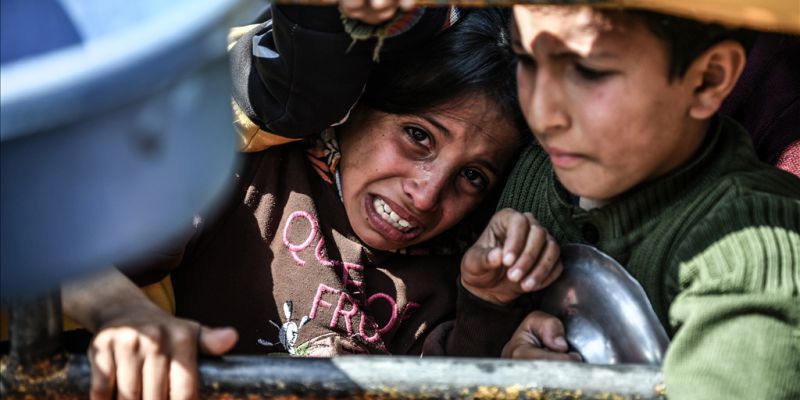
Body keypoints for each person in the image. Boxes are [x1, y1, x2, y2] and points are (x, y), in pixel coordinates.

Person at [61, 4, 562, 399]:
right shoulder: (249, 175)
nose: (427, 194)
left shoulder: (455, 275)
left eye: (472, 176)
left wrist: (489, 302)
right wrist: (125, 314)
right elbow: (65, 252)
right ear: (357, 105)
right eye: (417, 136)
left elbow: (457, 385)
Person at [494, 4, 800, 399]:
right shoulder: (541, 168)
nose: (541, 112)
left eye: (589, 71)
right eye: (526, 59)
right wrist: (487, 309)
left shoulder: (754, 253)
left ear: (708, 79)